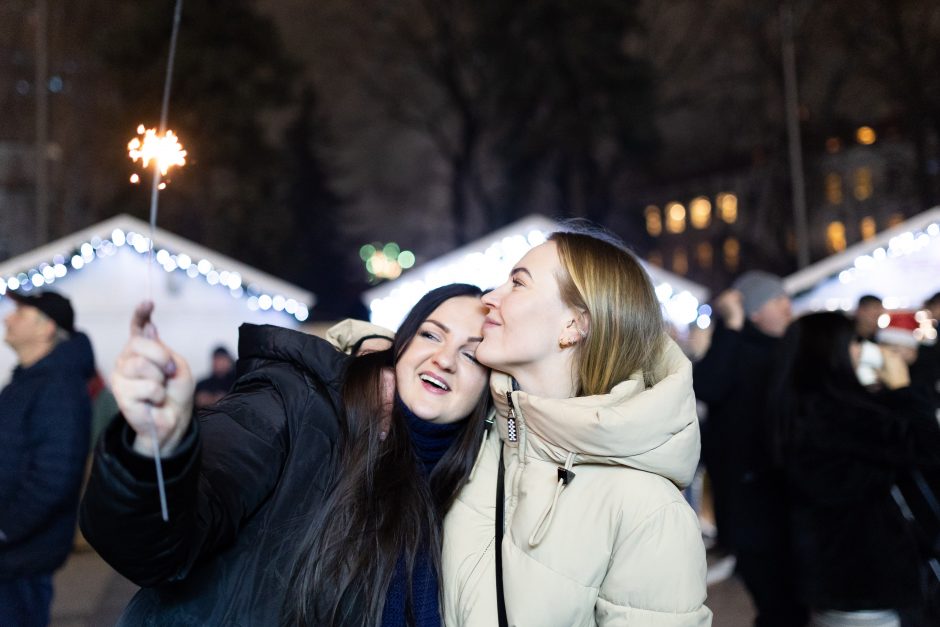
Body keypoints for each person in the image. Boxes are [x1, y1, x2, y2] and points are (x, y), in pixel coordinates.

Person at [79, 284, 492, 626]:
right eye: (431, 334)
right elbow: (157, 542)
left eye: (471, 354)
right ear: (400, 345)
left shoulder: (471, 484)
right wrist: (159, 452)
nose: (444, 359)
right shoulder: (298, 402)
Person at [441, 229, 711, 625]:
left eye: (517, 283)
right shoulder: (477, 442)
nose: (489, 298)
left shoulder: (648, 509)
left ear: (574, 325)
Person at [768, 312, 940, 627]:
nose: (861, 351)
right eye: (854, 342)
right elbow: (927, 446)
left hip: (835, 575)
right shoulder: (837, 413)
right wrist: (902, 386)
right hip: (868, 576)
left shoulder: (802, 408)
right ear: (830, 351)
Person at [692, 270, 805, 626]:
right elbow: (707, 385)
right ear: (755, 312)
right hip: (750, 499)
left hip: (791, 494)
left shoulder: (792, 348)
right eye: (777, 301)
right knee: (775, 601)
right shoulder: (734, 346)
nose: (788, 308)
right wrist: (732, 324)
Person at [0, 290, 94, 627]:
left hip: (19, 562)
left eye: (20, 313)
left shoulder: (58, 386)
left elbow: (54, 477)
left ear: (47, 328)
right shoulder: (28, 381)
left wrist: (4, 530)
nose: (8, 318)